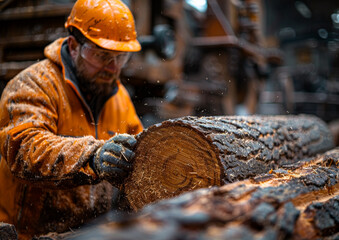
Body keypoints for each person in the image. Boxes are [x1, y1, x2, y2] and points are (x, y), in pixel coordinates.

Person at [0, 0, 143, 239]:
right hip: (27, 233)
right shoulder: (34, 85)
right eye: (102, 56)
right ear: (75, 46)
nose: (112, 68)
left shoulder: (121, 98)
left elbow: (140, 156)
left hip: (89, 233)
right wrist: (92, 156)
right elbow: (25, 148)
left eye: (120, 58)